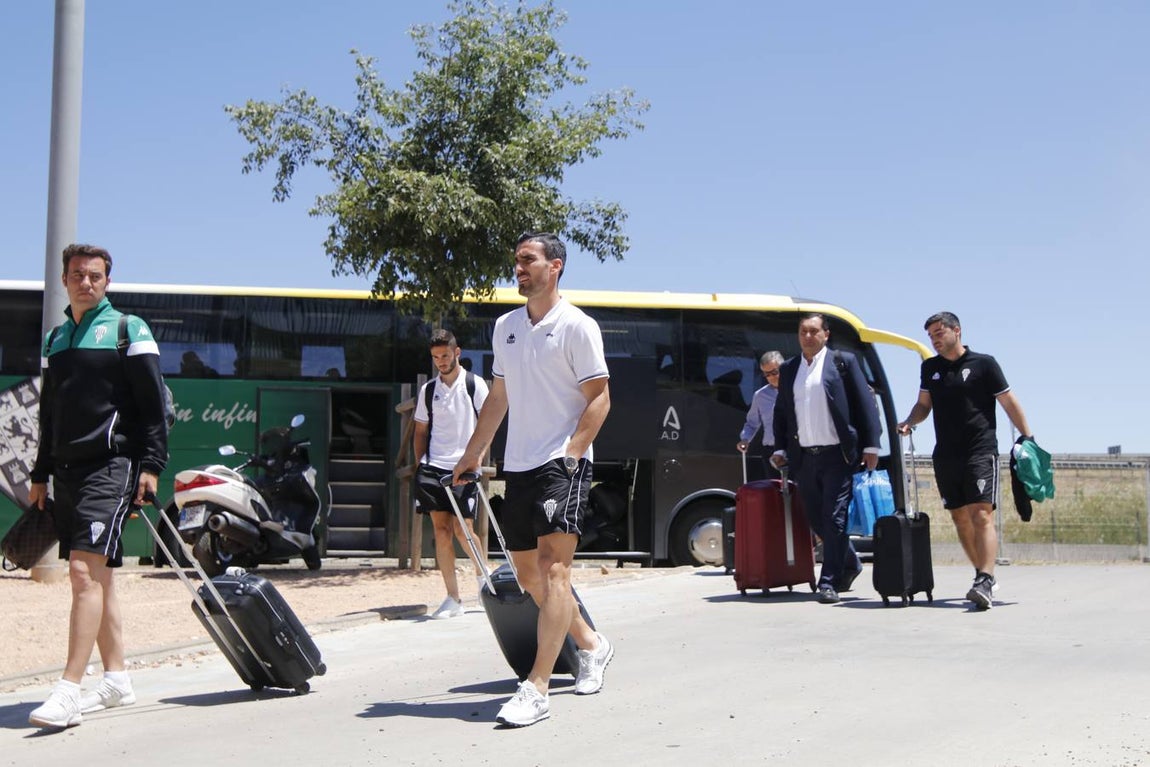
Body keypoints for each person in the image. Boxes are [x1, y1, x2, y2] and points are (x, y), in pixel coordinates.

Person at [453, 232, 613, 728]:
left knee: (555, 568)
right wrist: (473, 453)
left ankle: (537, 686)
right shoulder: (506, 327)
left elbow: (600, 398)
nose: (519, 269)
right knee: (526, 576)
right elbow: (498, 398)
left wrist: (573, 454)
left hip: (562, 464)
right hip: (518, 465)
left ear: (555, 266)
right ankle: (592, 643)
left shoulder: (577, 326)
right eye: (516, 262)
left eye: (528, 261)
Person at [27, 244, 169, 728]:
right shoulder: (56, 339)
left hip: (112, 467)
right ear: (65, 280)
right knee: (101, 577)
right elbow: (49, 414)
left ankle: (68, 690)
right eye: (77, 275)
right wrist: (39, 473)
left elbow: (152, 407)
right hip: (65, 472)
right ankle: (117, 679)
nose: (85, 282)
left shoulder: (130, 330)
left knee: (83, 575)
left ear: (107, 281)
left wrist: (150, 468)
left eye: (94, 276)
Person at [897, 311, 1033, 610]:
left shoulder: (984, 364)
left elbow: (1009, 402)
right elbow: (923, 405)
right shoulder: (930, 368)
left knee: (981, 513)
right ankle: (981, 575)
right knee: (959, 517)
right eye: (931, 335)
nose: (934, 339)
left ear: (956, 331)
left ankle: (985, 578)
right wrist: (909, 421)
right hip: (946, 454)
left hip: (980, 450)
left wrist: (1028, 438)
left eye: (939, 332)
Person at [771, 314, 880, 604]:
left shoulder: (842, 363)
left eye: (814, 331)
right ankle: (849, 563)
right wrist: (780, 448)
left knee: (834, 518)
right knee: (816, 517)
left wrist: (872, 446)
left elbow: (864, 404)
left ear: (826, 335)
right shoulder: (790, 368)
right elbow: (782, 412)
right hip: (804, 456)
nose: (808, 336)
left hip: (837, 455)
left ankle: (828, 581)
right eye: (803, 331)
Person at [412, 329, 489, 619]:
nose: (440, 361)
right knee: (441, 532)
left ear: (457, 353)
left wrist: (476, 459)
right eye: (435, 357)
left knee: (463, 529)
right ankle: (452, 599)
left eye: (445, 355)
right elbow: (420, 429)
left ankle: (485, 584)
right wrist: (421, 462)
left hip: (465, 466)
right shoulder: (428, 390)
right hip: (434, 467)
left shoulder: (474, 384)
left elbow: (487, 426)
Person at [736, 351, 784, 480]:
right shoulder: (760, 395)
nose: (772, 377)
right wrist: (745, 439)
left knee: (797, 492)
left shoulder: (797, 390)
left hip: (794, 449)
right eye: (767, 374)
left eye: (775, 372)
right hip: (770, 450)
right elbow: (752, 423)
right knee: (775, 491)